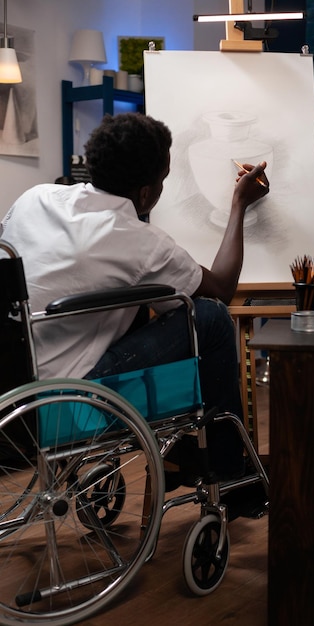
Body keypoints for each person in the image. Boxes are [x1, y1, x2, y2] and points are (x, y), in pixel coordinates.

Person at [0, 112, 269, 482]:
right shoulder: (139, 240)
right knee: (209, 317)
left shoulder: (36, 198)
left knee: (138, 306)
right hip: (65, 404)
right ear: (146, 192)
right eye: (162, 180)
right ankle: (228, 470)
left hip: (12, 390)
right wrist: (239, 204)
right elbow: (221, 287)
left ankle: (187, 454)